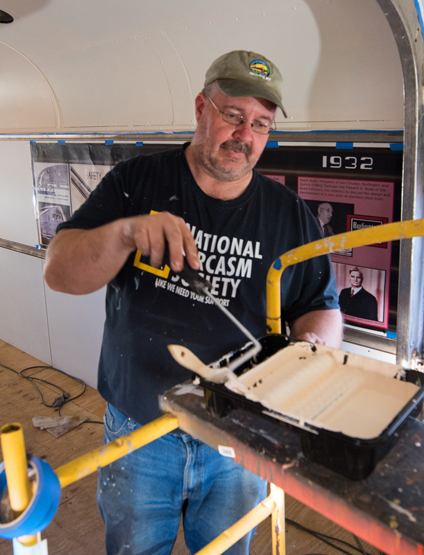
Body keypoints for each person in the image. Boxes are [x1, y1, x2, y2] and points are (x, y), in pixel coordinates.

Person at [44, 49, 342, 555]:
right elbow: (59, 272)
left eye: (261, 125)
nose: (245, 136)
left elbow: (320, 306)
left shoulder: (289, 215)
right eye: (233, 116)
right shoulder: (135, 183)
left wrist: (310, 351)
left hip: (237, 436)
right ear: (202, 107)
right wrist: (126, 232)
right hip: (140, 430)